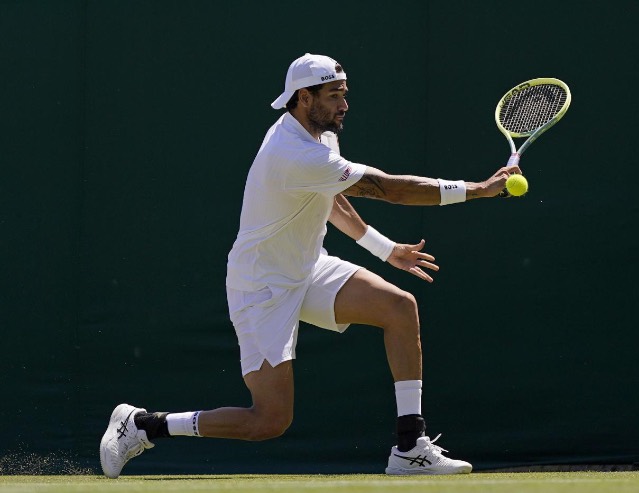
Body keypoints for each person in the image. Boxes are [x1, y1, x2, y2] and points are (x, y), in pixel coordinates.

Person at [100, 53, 521, 478]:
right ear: (305, 97)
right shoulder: (294, 152)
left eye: (345, 94)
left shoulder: (318, 136)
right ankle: (143, 424)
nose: (345, 104)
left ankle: (410, 447)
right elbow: (389, 190)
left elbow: (330, 197)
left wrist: (384, 248)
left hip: (308, 267)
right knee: (268, 421)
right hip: (262, 285)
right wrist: (477, 190)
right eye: (335, 95)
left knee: (399, 307)